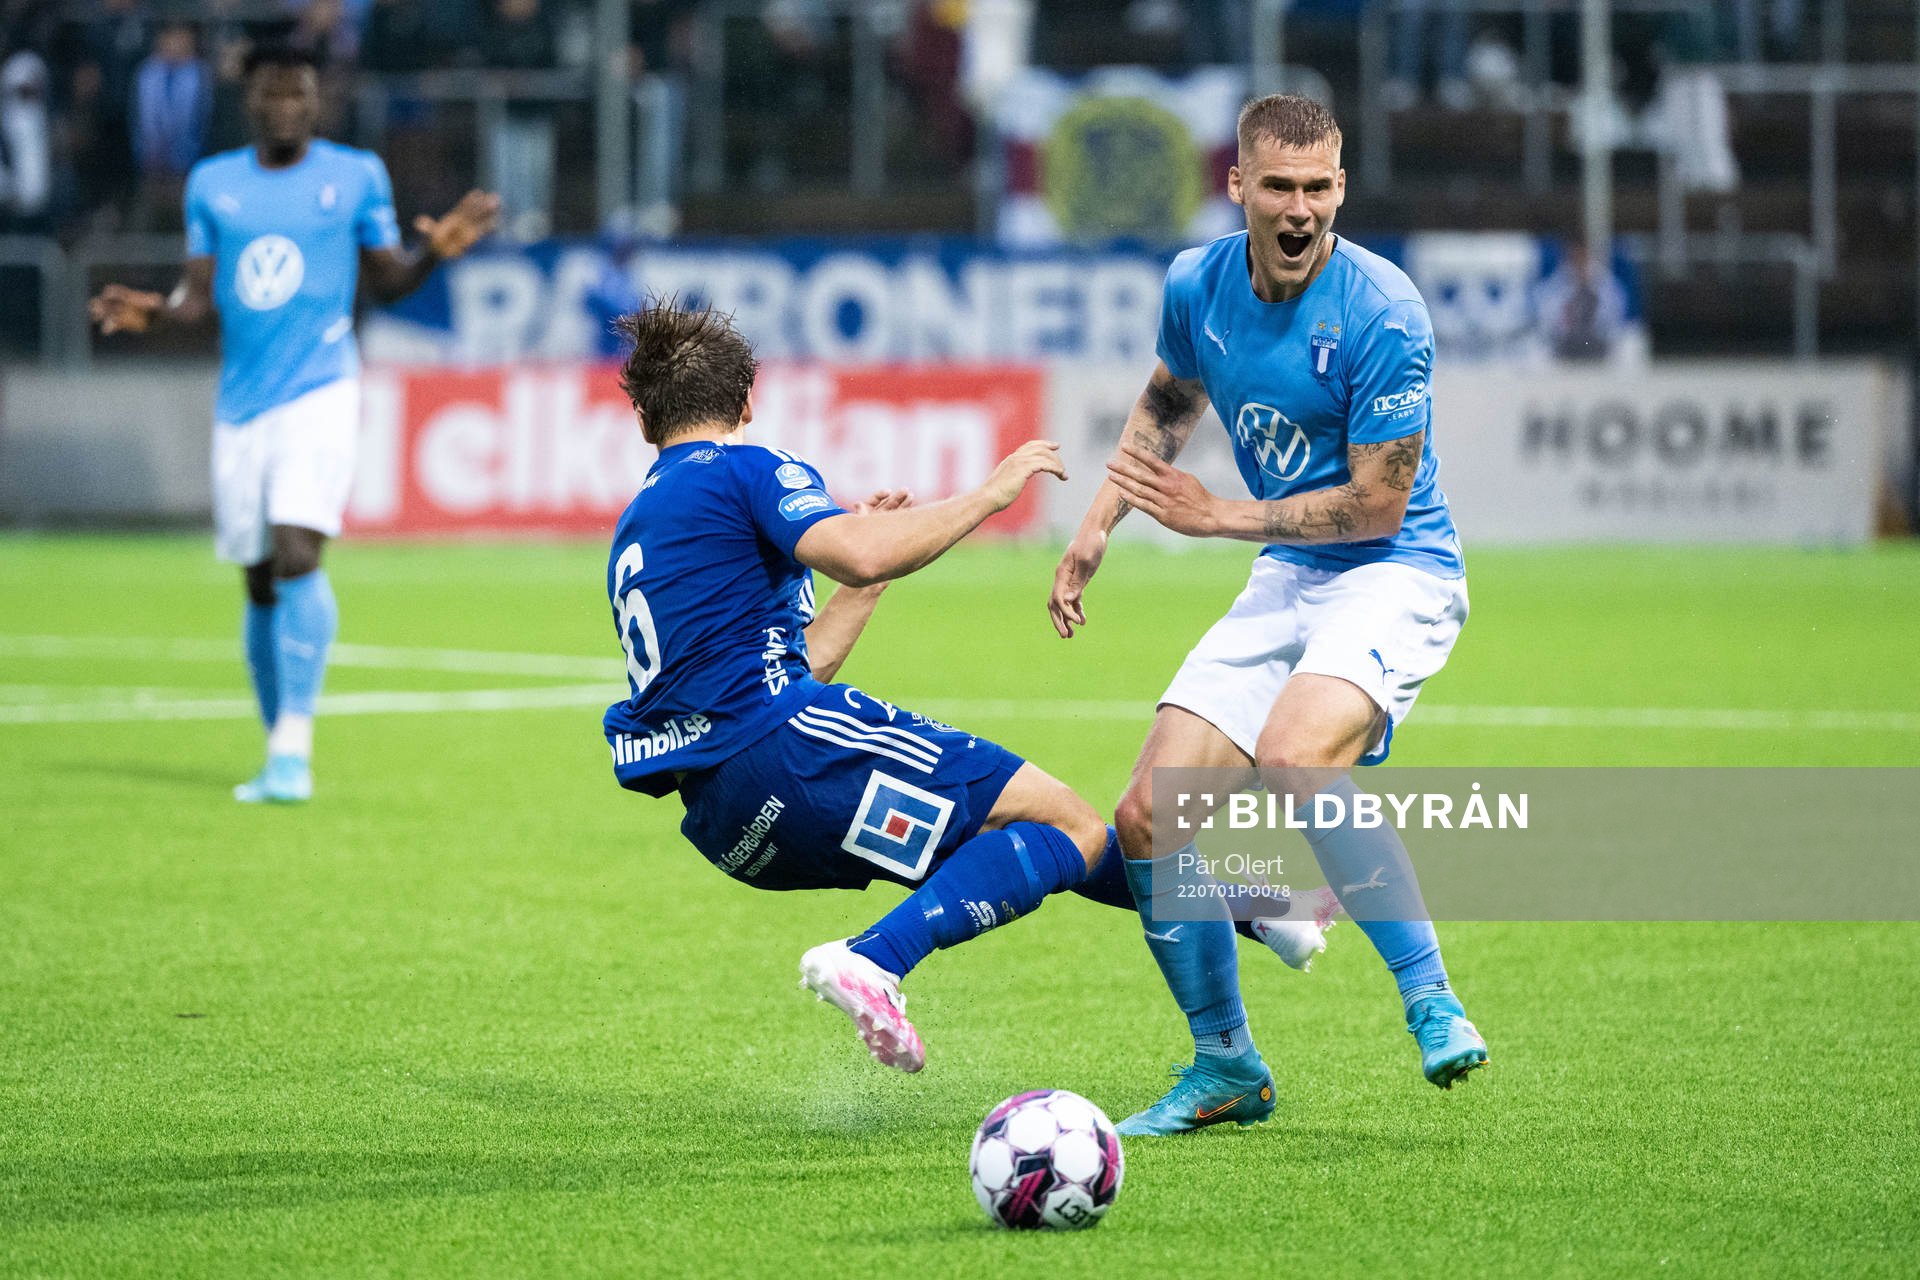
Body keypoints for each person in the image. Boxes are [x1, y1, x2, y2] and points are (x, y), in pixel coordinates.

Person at [597, 300, 1322, 1073]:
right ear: (747, 402)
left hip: (729, 816)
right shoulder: (746, 467)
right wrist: (987, 495)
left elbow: (794, 658)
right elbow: (859, 554)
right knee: (1069, 826)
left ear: (644, 419)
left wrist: (863, 588)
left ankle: (1248, 908)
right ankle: (874, 960)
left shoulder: (640, 522)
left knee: (1023, 836)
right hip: (786, 753)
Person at [1049, 93, 1489, 1136]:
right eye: (1281, 186)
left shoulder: (1384, 309)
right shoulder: (1196, 283)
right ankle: (1227, 1065)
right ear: (1238, 185)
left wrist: (1221, 517)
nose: (1302, 210)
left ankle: (1430, 995)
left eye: (1322, 187)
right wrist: (1098, 521)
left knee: (1298, 756)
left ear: (1342, 188)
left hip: (1397, 568)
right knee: (1150, 815)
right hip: (1290, 569)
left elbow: (1381, 499)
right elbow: (1167, 402)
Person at [89, 44, 499, 804]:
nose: (287, 106)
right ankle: (277, 746)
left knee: (296, 547)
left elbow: (388, 281)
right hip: (242, 405)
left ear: (318, 102)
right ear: (251, 101)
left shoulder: (354, 177)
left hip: (321, 388)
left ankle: (293, 750)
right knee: (256, 576)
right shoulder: (213, 184)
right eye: (273, 93)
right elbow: (200, 302)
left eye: (300, 94)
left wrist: (432, 253)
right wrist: (154, 312)